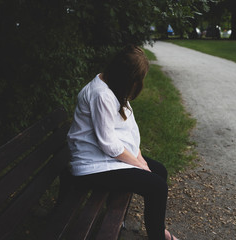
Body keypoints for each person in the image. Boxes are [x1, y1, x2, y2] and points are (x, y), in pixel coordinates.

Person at [67, 46, 179, 240]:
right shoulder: (101, 95)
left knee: (159, 171)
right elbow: (108, 143)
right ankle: (157, 237)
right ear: (127, 78)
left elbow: (128, 129)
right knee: (157, 186)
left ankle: (154, 229)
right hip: (92, 165)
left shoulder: (113, 87)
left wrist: (139, 157)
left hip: (104, 157)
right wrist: (138, 164)